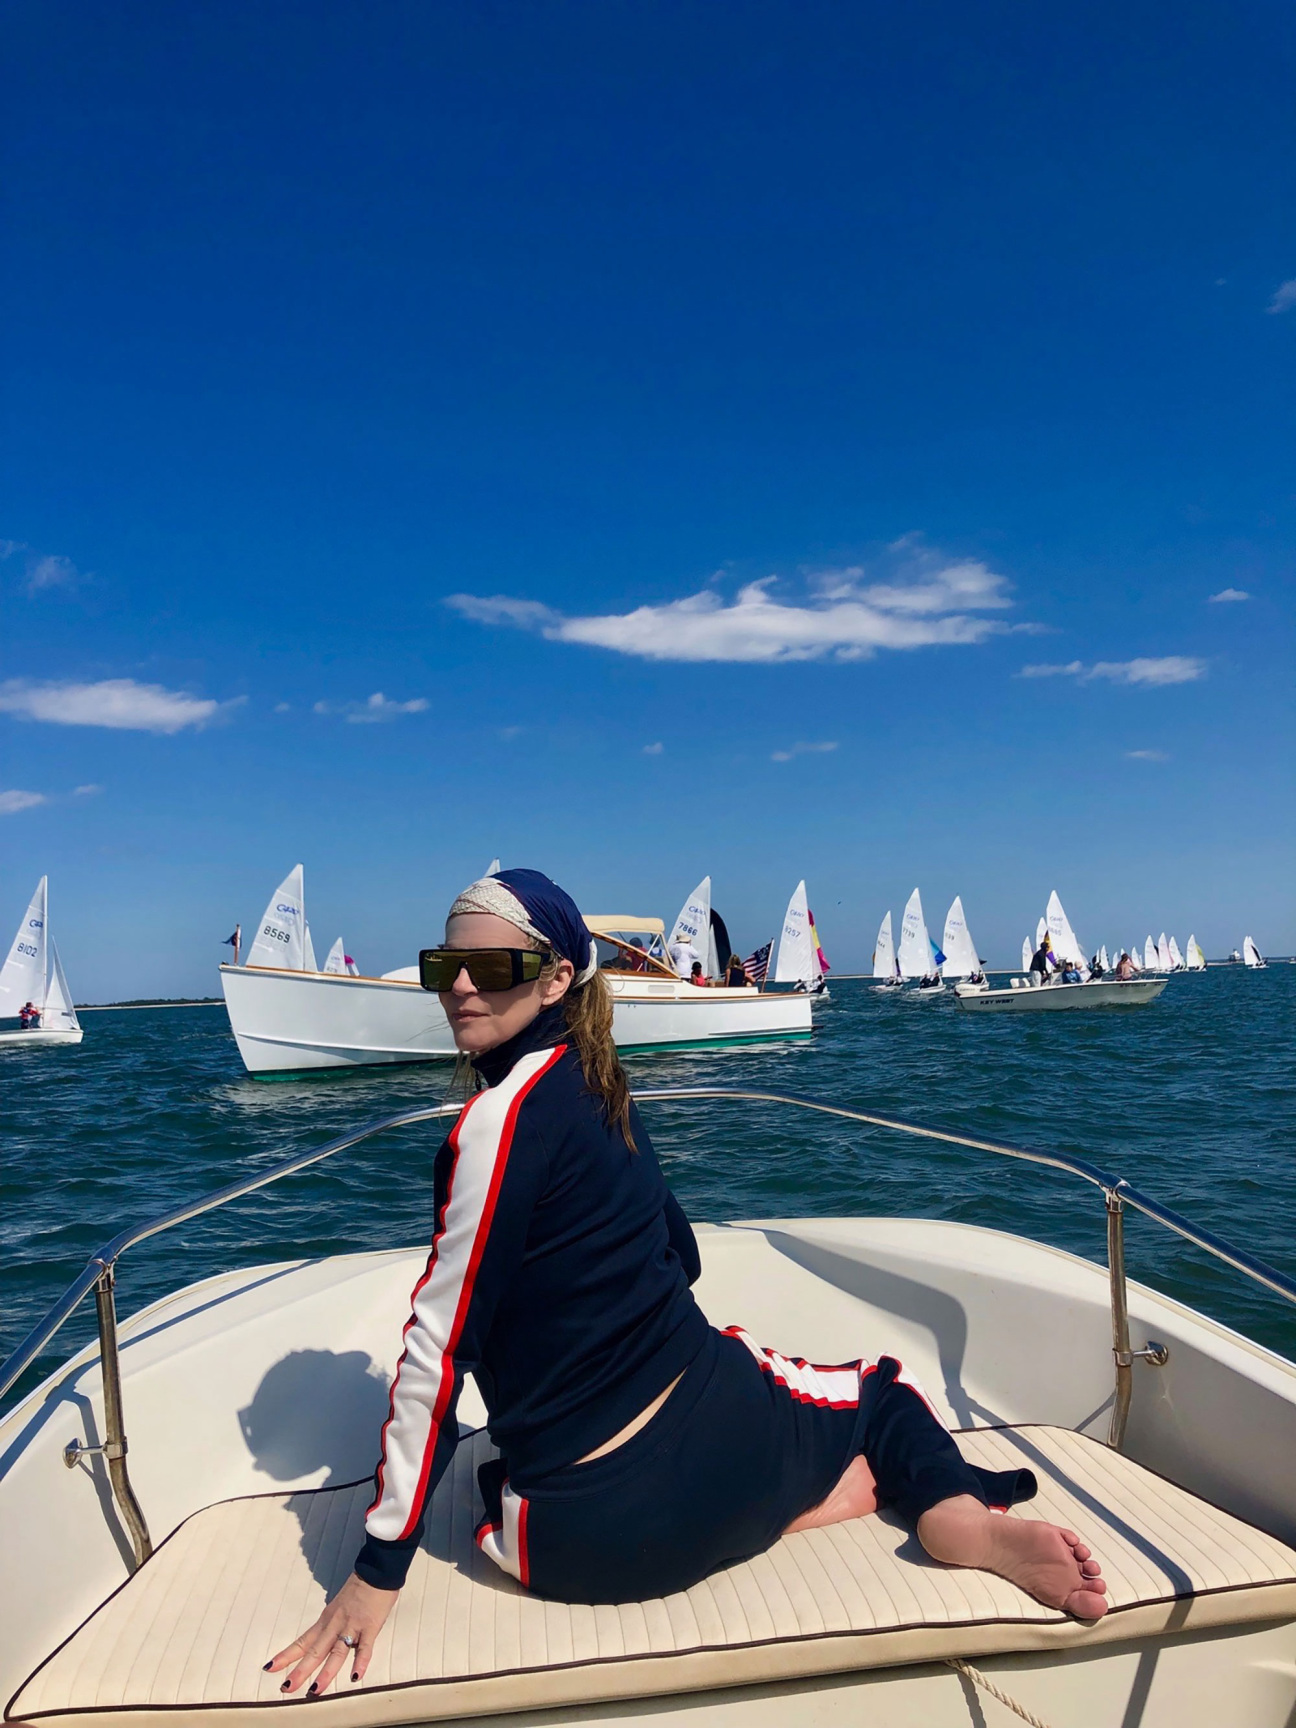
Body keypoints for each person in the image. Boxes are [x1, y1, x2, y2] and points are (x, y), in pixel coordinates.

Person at [267, 868, 1107, 1696]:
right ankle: (945, 1510)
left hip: (579, 1547)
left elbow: (438, 1358)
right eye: (440, 966)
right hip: (714, 1452)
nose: (458, 987)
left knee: (494, 1479)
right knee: (880, 1393)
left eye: (490, 969)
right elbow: (683, 1251)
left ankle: (809, 1495)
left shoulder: (494, 1123)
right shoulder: (600, 1083)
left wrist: (375, 1575)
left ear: (557, 978)